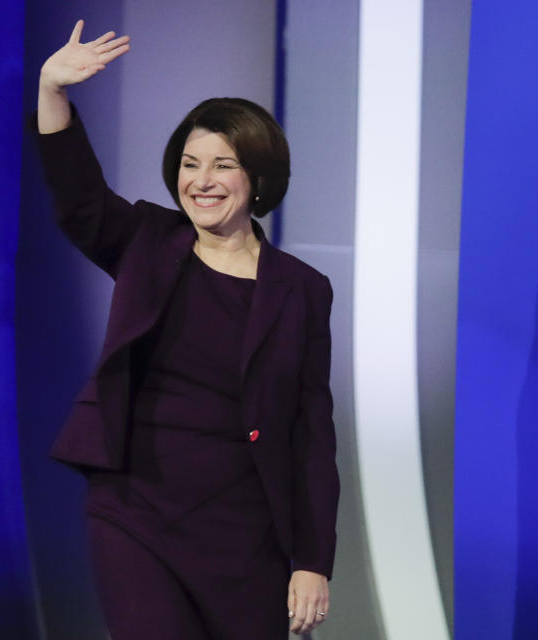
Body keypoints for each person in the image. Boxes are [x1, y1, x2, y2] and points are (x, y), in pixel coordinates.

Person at [34, 20, 339, 639]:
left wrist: (311, 561)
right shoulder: (148, 240)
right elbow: (80, 201)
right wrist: (52, 92)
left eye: (222, 165)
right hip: (135, 511)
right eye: (190, 163)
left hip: (247, 530)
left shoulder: (302, 290)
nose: (201, 180)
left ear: (257, 179)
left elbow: (311, 432)